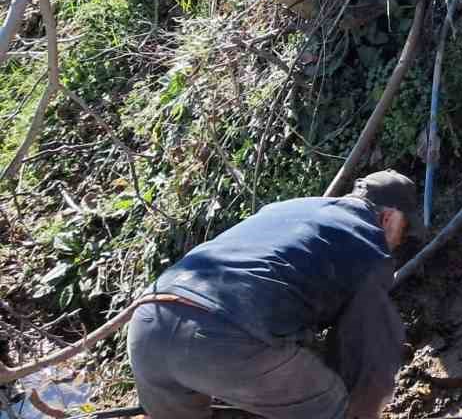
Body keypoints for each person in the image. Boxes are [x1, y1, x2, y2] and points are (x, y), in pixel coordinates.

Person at [126, 171, 420, 419]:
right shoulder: (368, 244)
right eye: (403, 232)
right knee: (330, 406)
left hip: (148, 321)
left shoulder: (288, 208)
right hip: (224, 333)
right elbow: (369, 346)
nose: (397, 244)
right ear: (388, 218)